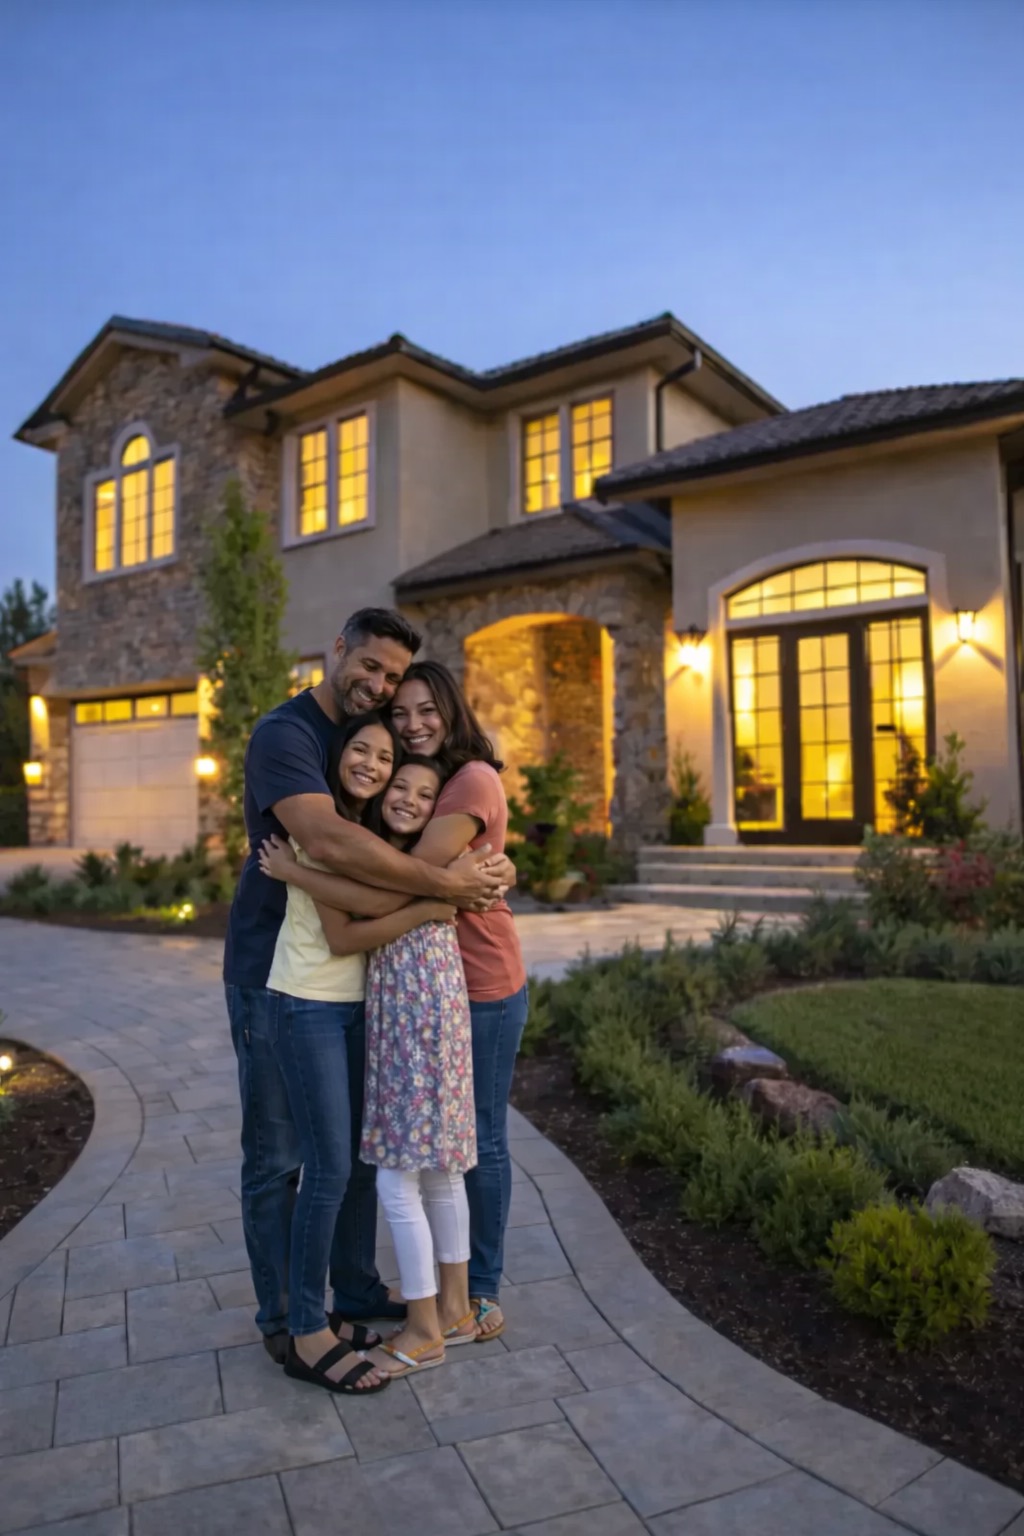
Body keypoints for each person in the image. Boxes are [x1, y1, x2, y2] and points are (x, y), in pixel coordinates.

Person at [224, 608, 513, 1368]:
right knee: (281, 1159)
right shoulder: (286, 735)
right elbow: (325, 843)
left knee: (350, 1154)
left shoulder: (381, 738)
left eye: (393, 679)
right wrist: (447, 887)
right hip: (275, 978)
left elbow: (420, 822)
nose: (381, 687)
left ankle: (353, 1293)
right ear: (337, 649)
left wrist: (486, 859)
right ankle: (287, 1320)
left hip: (359, 983)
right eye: (373, 669)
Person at [261, 750, 479, 1380]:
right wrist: (437, 900)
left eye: (420, 788)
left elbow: (375, 901)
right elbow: (360, 910)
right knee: (433, 1169)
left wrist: (299, 873)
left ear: (439, 808)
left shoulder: (422, 861)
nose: (405, 795)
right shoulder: (391, 859)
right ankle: (454, 1311)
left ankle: (425, 1326)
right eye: (397, 782)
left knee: (399, 1177)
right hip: (408, 1016)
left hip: (418, 1019)